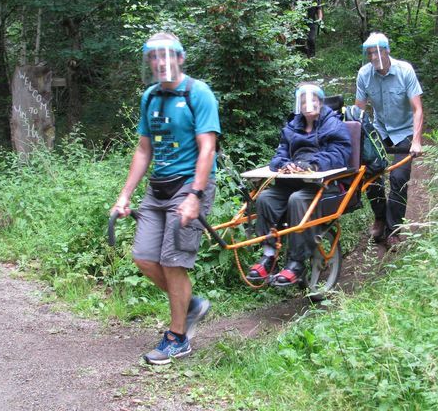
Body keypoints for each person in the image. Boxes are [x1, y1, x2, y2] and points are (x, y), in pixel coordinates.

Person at [112, 32, 221, 365]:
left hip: (189, 187)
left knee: (174, 264)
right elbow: (144, 149)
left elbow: (208, 148)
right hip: (157, 188)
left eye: (166, 56)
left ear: (180, 58)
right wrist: (125, 194)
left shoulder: (198, 93)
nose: (160, 63)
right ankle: (190, 305)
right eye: (153, 58)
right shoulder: (150, 97)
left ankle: (177, 338)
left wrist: (194, 197)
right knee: (144, 258)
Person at [247, 83, 351, 286]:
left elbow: (340, 154)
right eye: (304, 101)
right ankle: (269, 255)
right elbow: (279, 155)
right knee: (265, 198)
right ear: (299, 105)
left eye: (313, 100)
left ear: (320, 102)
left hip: (323, 184)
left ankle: (296, 262)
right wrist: (286, 165)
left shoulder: (334, 124)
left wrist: (313, 164)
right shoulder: (292, 127)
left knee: (297, 200)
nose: (308, 104)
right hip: (292, 182)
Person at [354, 32, 424, 248]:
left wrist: (416, 140)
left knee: (398, 177)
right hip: (379, 130)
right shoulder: (364, 74)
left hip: (404, 131)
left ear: (387, 51)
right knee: (370, 174)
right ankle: (380, 218)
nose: (374, 57)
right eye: (370, 53)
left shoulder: (405, 71)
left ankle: (394, 229)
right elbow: (359, 111)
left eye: (378, 52)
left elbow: (417, 109)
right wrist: (356, 142)